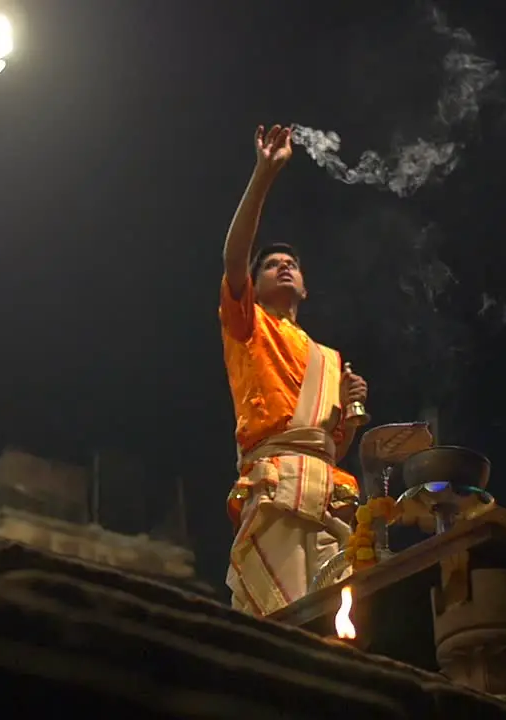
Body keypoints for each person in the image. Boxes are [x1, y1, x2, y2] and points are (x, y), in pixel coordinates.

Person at [220, 124, 369, 617]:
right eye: (272, 265)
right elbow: (234, 255)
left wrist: (352, 412)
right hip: (276, 492)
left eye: (292, 265)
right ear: (254, 285)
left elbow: (332, 446)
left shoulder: (328, 357)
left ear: (304, 286)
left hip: (328, 501)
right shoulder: (248, 327)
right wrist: (264, 174)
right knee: (280, 621)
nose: (284, 267)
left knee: (335, 622)